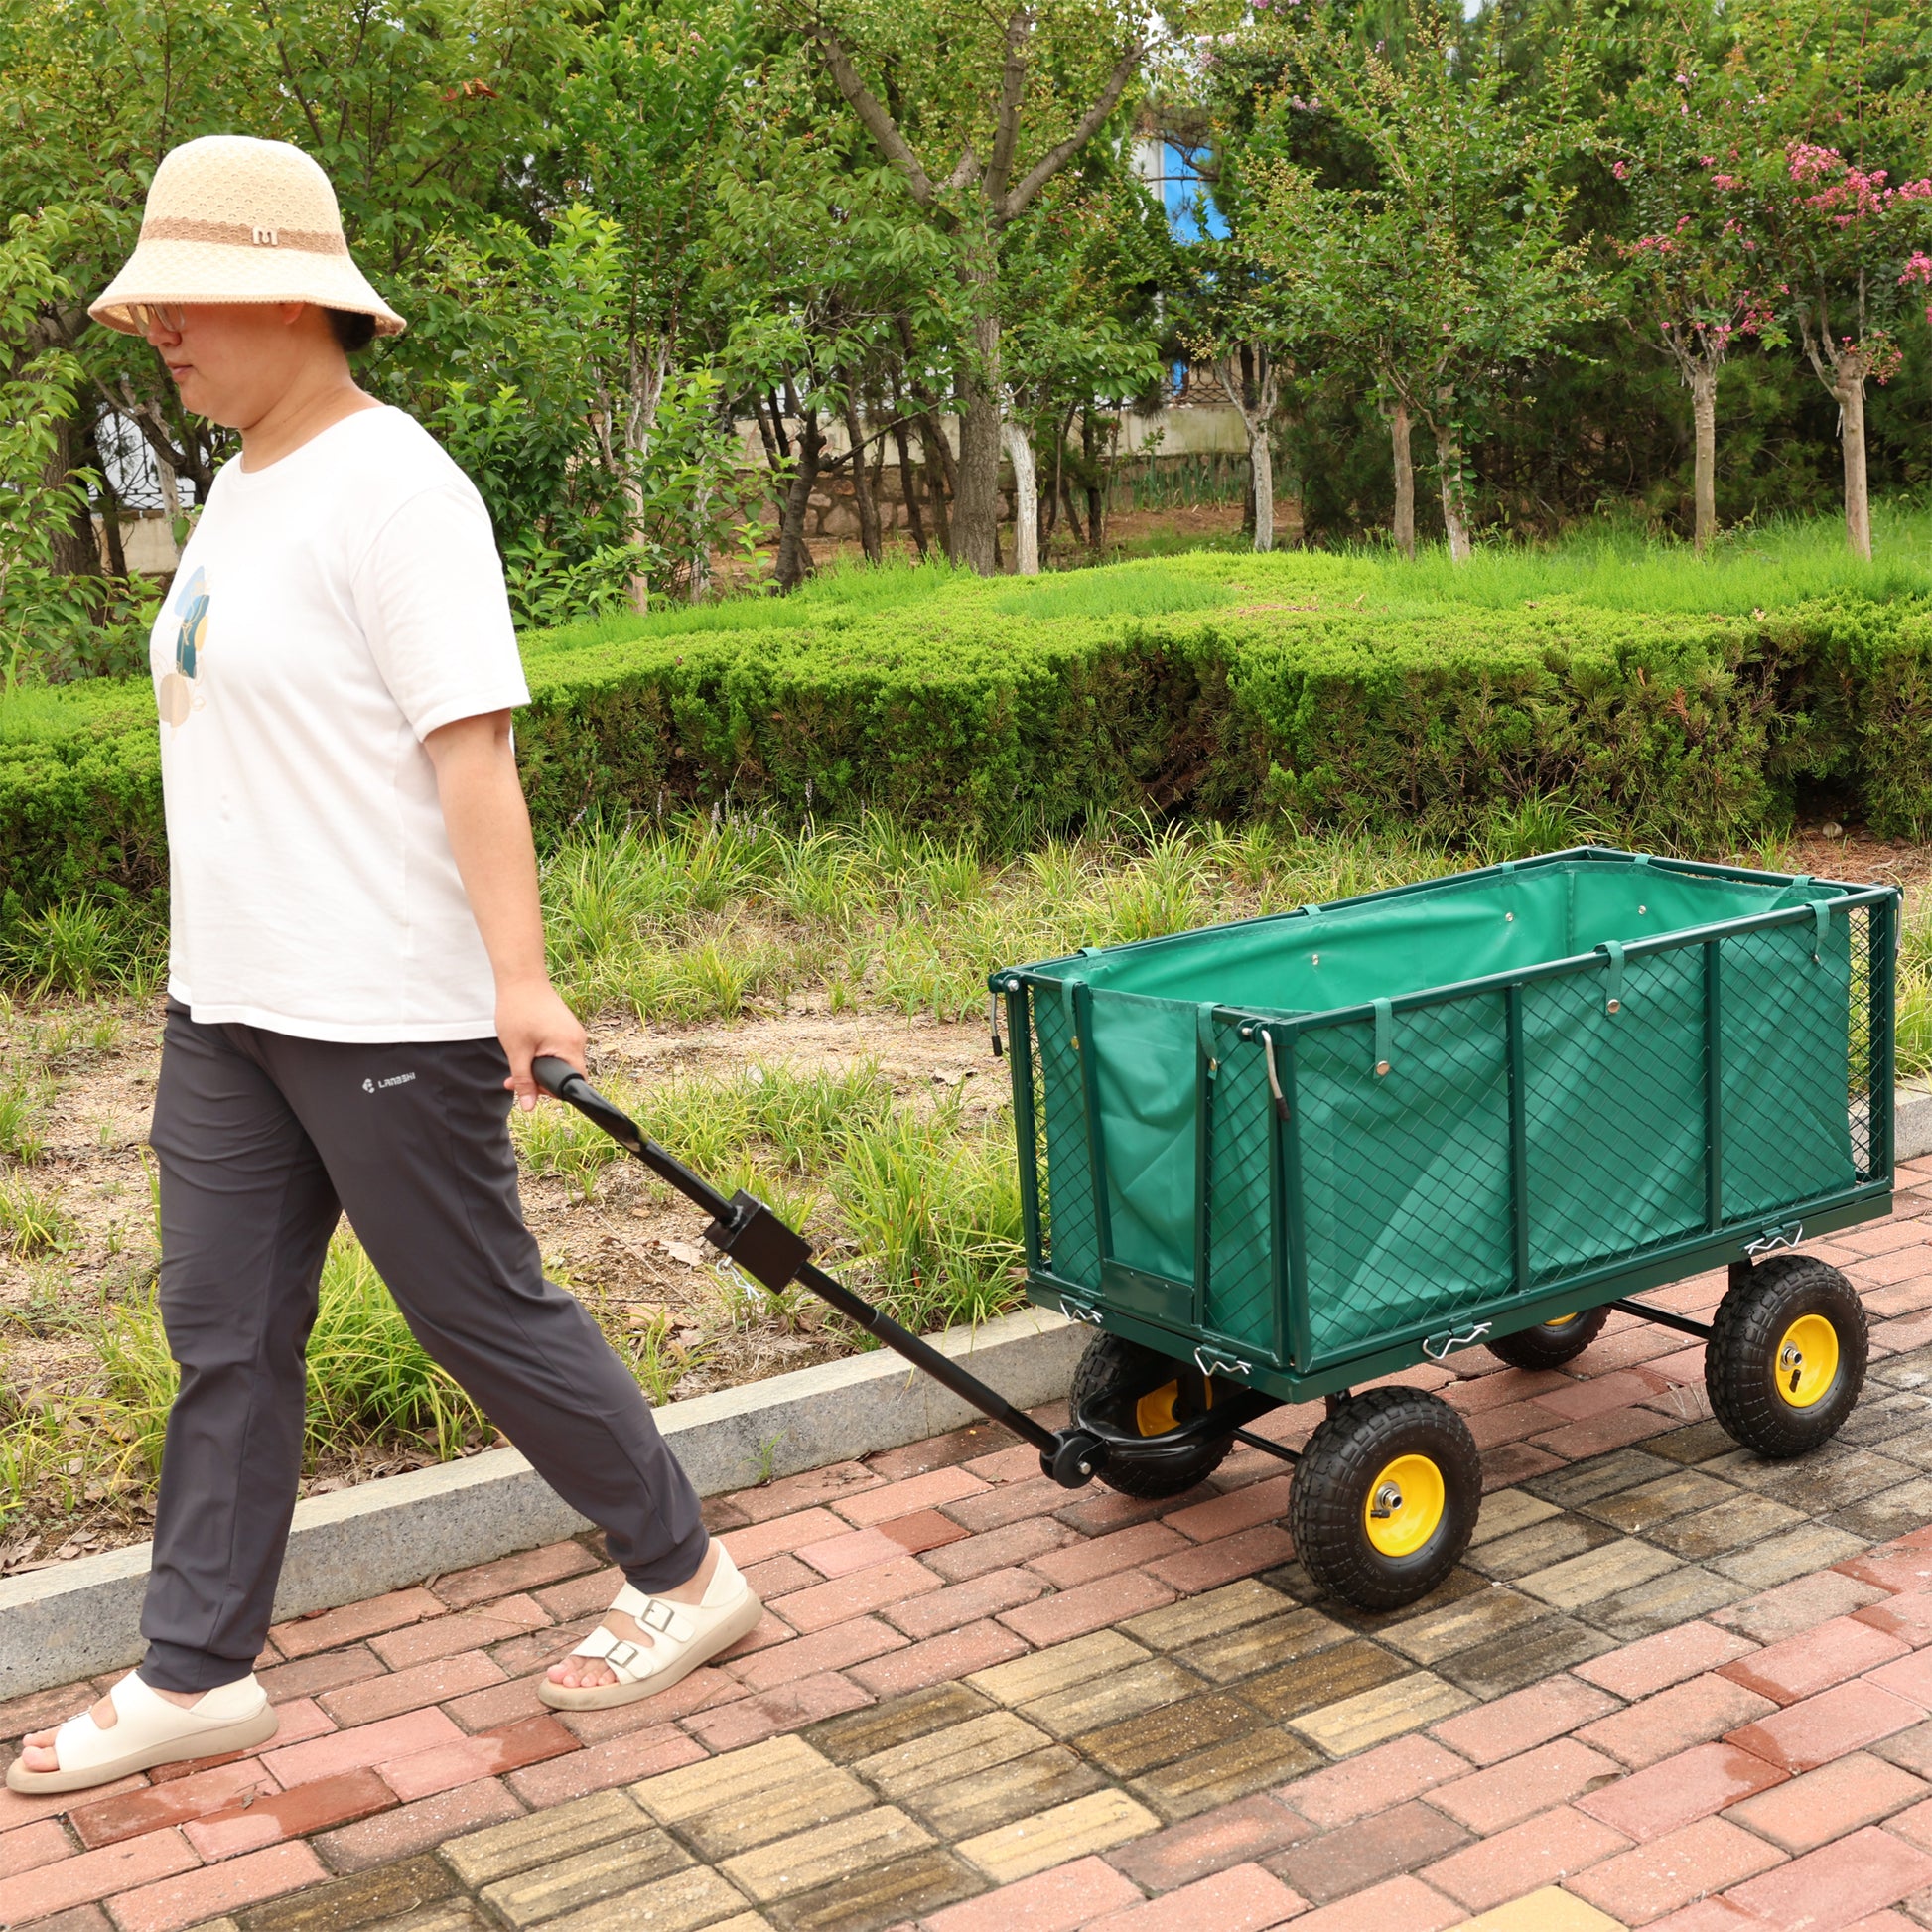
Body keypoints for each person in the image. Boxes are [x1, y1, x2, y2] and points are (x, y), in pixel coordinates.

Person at [8, 134, 759, 1796]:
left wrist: (524, 977)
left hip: (378, 1005)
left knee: (476, 1314)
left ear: (289, 295)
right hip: (229, 1004)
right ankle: (198, 1669)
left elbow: (470, 752)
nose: (158, 338)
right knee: (223, 1331)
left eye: (182, 308)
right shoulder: (242, 481)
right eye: (150, 317)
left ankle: (686, 1570)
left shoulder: (399, 485)